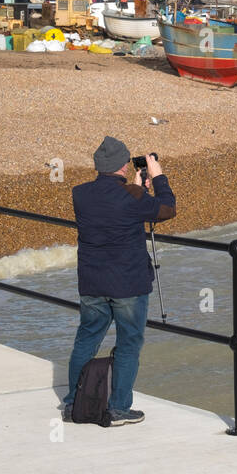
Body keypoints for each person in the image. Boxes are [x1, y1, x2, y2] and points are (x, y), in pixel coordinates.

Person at [62, 137, 176, 425]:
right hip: (128, 285)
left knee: (86, 340)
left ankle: (73, 402)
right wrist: (158, 175)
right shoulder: (131, 197)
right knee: (128, 344)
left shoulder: (80, 194)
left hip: (92, 283)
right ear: (124, 166)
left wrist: (136, 188)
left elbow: (115, 210)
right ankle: (118, 409)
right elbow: (166, 209)